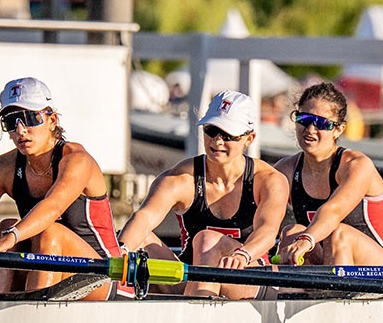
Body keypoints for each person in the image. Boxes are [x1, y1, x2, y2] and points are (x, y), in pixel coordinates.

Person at [119, 90, 289, 299]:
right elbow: (144, 218)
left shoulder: (269, 180)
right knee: (137, 239)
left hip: (250, 278)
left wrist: (243, 254)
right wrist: (121, 251)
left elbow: (267, 232)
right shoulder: (180, 178)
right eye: (211, 130)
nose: (217, 141)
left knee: (207, 240)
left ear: (249, 138)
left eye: (228, 135)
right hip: (192, 279)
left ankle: (193, 318)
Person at [0, 76, 122, 298]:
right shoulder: (3, 167)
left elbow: (52, 208)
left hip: (104, 276)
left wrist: (13, 236)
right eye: (11, 122)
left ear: (52, 120)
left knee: (45, 231)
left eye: (30, 118)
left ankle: (34, 321)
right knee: (6, 225)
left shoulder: (77, 160)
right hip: (50, 271)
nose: (21, 130)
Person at [275, 82, 383, 268]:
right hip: (330, 265)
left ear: (339, 129)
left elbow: (333, 212)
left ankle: (332, 295)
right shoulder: (286, 170)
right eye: (304, 118)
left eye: (321, 123)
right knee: (291, 232)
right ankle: (290, 294)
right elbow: (262, 219)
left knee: (338, 233)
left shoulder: (357, 165)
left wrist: (307, 239)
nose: (310, 129)